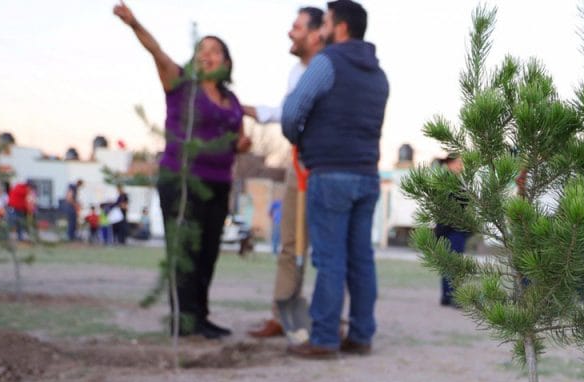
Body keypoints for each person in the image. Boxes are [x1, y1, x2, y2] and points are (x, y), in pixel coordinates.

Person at [114, 1, 251, 339]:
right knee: (185, 251)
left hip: (218, 184)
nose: (207, 55)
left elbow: (238, 138)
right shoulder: (181, 85)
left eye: (215, 50)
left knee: (208, 253)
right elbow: (156, 52)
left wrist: (242, 144)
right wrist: (134, 24)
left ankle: (200, 316)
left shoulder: (232, 101)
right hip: (182, 181)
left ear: (226, 62)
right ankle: (184, 321)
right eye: (201, 49)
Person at [282, 0, 389, 358]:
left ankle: (325, 338)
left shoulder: (327, 62)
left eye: (326, 22)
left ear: (340, 27)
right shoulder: (378, 74)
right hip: (367, 175)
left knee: (329, 259)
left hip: (329, 174)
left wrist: (299, 140)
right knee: (361, 259)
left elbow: (293, 110)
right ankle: (361, 335)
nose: (322, 29)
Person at [245, 6, 326, 341]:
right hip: (298, 163)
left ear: (317, 33)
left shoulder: (332, 68)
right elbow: (288, 111)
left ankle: (327, 320)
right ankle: (282, 315)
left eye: (297, 27)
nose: (290, 32)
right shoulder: (297, 71)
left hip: (326, 165)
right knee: (290, 243)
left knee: (328, 247)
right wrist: (253, 111)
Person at [435, 154, 469, 306]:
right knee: (452, 262)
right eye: (458, 162)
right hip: (451, 228)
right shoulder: (448, 182)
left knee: (450, 263)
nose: (460, 166)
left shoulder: (456, 181)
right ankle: (451, 295)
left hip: (450, 228)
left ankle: (448, 295)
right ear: (450, 164)